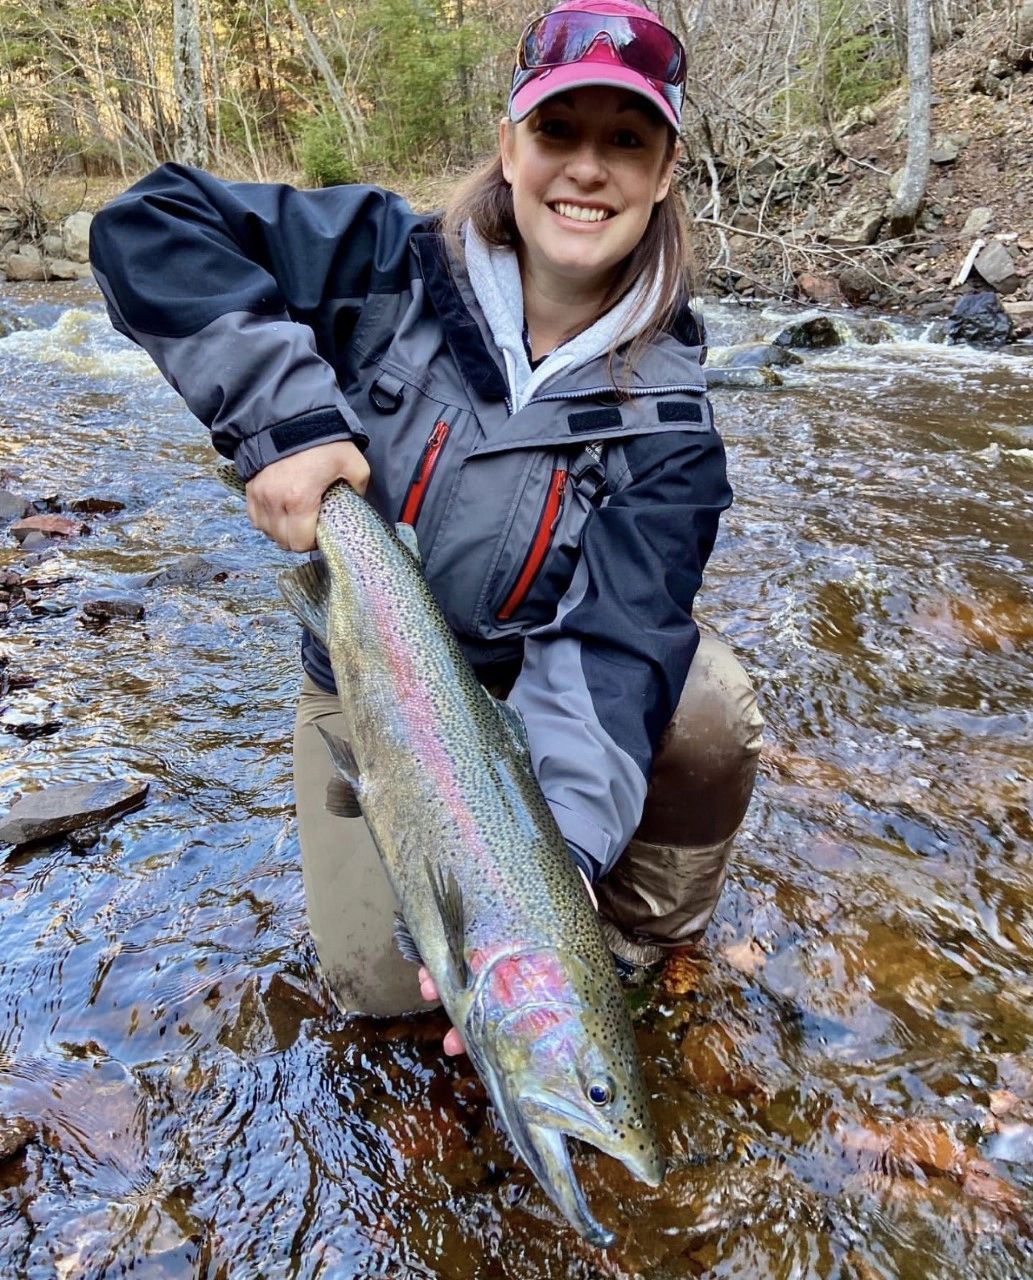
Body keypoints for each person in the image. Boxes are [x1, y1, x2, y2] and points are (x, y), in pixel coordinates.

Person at [89, 0, 763, 1054]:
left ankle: (637, 944)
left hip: (530, 670)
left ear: (666, 170)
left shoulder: (674, 429)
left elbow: (614, 642)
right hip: (365, 668)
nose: (587, 168)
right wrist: (284, 419)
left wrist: (556, 879)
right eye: (558, 132)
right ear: (508, 145)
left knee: (707, 701)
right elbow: (149, 224)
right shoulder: (381, 262)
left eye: (625, 140)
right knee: (383, 987)